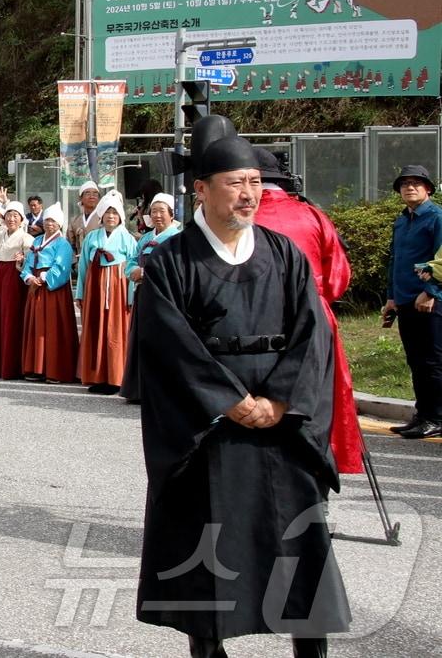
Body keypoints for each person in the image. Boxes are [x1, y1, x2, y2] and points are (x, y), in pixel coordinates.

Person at [132, 115, 348, 657]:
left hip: (280, 421)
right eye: (235, 182)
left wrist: (279, 400)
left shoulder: (284, 255)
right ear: (200, 189)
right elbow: (169, 348)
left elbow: (310, 335)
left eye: (254, 182)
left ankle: (310, 649)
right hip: (209, 428)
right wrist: (227, 401)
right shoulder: (171, 261)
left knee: (298, 542)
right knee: (209, 549)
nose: (248, 194)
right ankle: (210, 651)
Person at [253, 149, 363, 472]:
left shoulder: (243, 219)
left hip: (257, 321)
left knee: (265, 407)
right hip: (315, 315)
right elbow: (339, 275)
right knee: (318, 403)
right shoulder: (313, 215)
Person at [383, 164, 442, 440]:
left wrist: (431, 291)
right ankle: (422, 414)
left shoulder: (436, 217)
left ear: (428, 188)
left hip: (429, 301)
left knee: (432, 361)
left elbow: (441, 260)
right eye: (404, 183)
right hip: (405, 299)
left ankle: (436, 416)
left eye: (416, 183)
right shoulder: (401, 219)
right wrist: (391, 298)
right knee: (416, 360)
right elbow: (395, 260)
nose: (410, 187)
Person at [119, 192, 180, 402]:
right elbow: (131, 260)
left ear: (172, 214)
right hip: (142, 293)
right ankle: (138, 388)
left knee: (162, 341)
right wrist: (133, 271)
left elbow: (176, 268)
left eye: (162, 211)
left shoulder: (177, 238)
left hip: (165, 295)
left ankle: (161, 389)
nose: (157, 216)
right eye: (154, 211)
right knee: (140, 338)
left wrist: (146, 273)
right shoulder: (146, 237)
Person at [75, 192, 138, 394]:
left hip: (118, 290)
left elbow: (132, 268)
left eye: (115, 213)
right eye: (107, 213)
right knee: (95, 330)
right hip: (95, 288)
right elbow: (83, 266)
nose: (111, 216)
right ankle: (97, 376)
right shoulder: (92, 238)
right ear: (101, 216)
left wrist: (130, 296)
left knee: (115, 331)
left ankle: (116, 377)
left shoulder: (128, 239)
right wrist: (80, 293)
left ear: (120, 217)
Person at [21, 204, 77, 382]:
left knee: (53, 328)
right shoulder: (36, 241)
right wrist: (29, 276)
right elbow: (29, 262)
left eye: (53, 221)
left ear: (59, 224)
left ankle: (55, 369)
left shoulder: (63, 243)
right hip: (36, 285)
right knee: (36, 326)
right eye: (46, 220)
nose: (48, 224)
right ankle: (36, 367)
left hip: (53, 289)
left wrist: (44, 277)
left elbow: (62, 266)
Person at [0, 201, 32, 379]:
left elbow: (33, 263)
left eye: (15, 216)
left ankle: (12, 366)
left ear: (21, 220)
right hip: (0, 281)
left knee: (12, 320)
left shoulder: (26, 239)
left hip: (15, 282)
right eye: (9, 215)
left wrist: (22, 262)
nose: (11, 219)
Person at [67, 180, 101, 259]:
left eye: (95, 193)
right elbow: (70, 245)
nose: (92, 196)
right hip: (79, 263)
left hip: (98, 262)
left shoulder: (103, 218)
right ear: (81, 198)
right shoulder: (74, 221)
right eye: (87, 193)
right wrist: (74, 263)